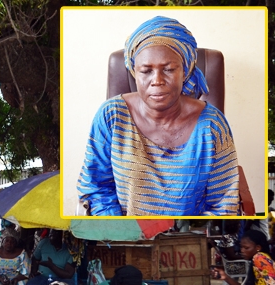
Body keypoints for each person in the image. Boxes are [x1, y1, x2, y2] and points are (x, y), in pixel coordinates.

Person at [76, 16, 239, 216]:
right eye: (145, 71)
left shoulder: (212, 125)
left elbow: (223, 203)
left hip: (187, 240)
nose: (157, 81)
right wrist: (121, 232)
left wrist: (185, 237)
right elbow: (95, 188)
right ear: (134, 72)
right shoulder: (111, 116)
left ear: (185, 71)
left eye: (169, 69)